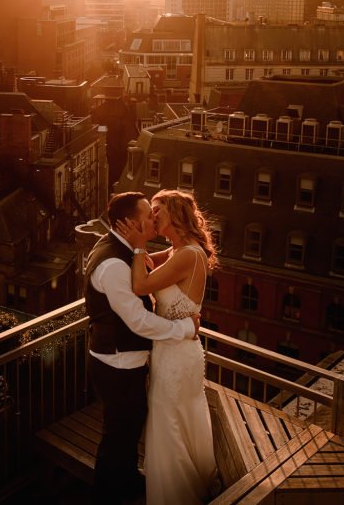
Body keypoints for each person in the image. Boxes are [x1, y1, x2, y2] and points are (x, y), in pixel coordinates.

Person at [85, 191, 201, 505]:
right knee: (117, 436)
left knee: (130, 427)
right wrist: (184, 328)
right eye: (148, 216)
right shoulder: (114, 265)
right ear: (131, 223)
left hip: (123, 360)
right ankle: (106, 495)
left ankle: (127, 482)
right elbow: (137, 321)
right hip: (117, 363)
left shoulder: (121, 250)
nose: (152, 219)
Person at [117, 189, 219, 505]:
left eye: (156, 211)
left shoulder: (188, 254)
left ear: (172, 214)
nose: (151, 217)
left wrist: (137, 245)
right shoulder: (179, 250)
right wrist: (139, 251)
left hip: (176, 355)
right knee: (178, 418)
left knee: (168, 422)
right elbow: (147, 266)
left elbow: (140, 284)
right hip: (178, 350)